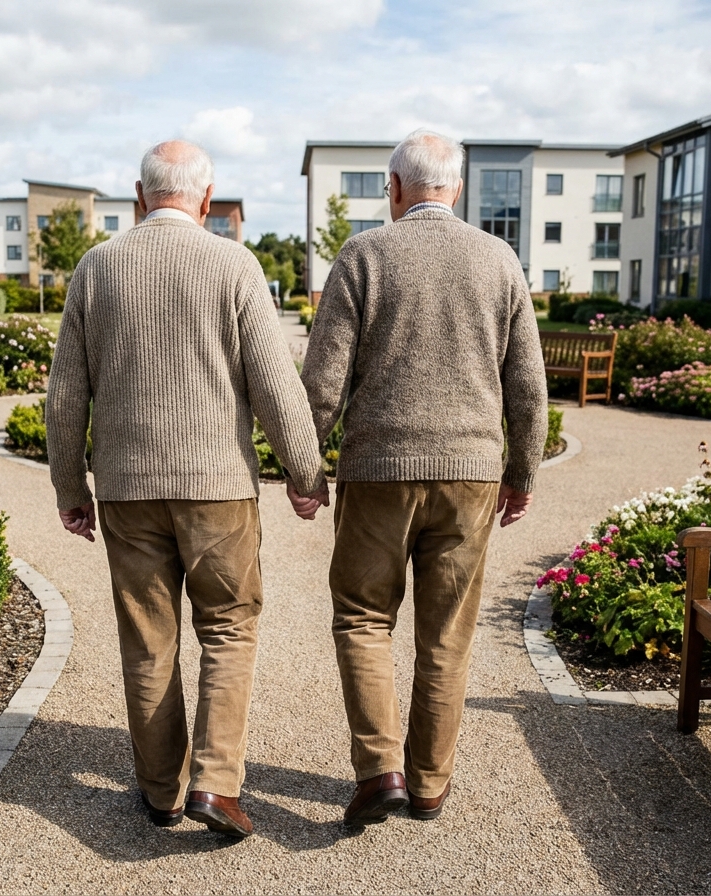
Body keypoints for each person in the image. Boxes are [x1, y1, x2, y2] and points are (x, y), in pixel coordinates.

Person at [46, 140, 326, 839]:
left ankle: (162, 794)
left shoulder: (96, 267)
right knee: (228, 629)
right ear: (206, 199)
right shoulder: (234, 265)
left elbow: (66, 394)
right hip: (218, 489)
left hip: (127, 489)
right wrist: (305, 473)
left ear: (140, 197)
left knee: (149, 641)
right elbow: (275, 386)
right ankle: (216, 785)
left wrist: (69, 487)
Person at [294, 129, 548, 826]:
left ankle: (381, 770)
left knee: (362, 617)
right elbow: (528, 386)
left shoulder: (363, 255)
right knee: (446, 635)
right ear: (456, 190)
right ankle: (430, 784)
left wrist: (305, 468)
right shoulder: (499, 259)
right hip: (471, 476)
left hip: (378, 471)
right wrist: (522, 472)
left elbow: (322, 382)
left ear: (395, 188)